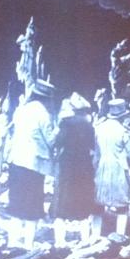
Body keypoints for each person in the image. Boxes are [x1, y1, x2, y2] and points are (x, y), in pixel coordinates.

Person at [7, 79, 57, 248]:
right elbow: (51, 141)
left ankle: (12, 242)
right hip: (33, 165)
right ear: (47, 98)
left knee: (16, 205)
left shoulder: (21, 110)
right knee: (32, 207)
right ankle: (28, 244)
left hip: (16, 161)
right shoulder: (43, 114)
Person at [52, 93, 97, 247]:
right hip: (83, 167)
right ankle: (85, 240)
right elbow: (92, 146)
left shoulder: (66, 123)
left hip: (67, 167)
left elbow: (58, 142)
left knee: (62, 202)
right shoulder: (89, 126)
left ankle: (60, 241)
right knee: (83, 202)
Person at [93, 98, 130, 237]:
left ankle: (95, 236)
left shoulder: (99, 128)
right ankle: (120, 235)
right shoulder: (123, 131)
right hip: (118, 169)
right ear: (122, 116)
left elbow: (95, 152)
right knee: (122, 205)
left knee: (98, 204)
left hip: (101, 167)